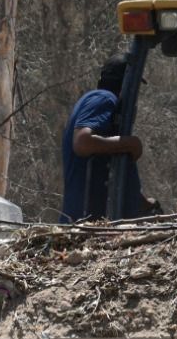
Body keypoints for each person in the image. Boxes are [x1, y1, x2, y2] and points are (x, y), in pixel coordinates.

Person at [60, 57, 154, 222]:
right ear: (126, 84)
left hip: (99, 222)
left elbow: (107, 171)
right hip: (89, 225)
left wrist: (141, 202)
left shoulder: (104, 108)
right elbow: (82, 142)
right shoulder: (103, 98)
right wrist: (131, 143)